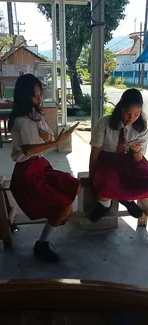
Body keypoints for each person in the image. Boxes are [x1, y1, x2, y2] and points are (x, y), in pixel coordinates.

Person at [8, 73, 81, 262]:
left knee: (73, 187)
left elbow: (46, 136)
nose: (39, 98)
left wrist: (50, 138)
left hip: (40, 166)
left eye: (40, 93)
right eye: (34, 95)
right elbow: (28, 149)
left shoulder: (35, 115)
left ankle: (52, 228)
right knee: (64, 207)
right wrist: (55, 142)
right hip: (27, 173)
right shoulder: (20, 120)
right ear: (24, 96)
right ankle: (41, 244)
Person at [89, 88, 148, 222]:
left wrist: (137, 151)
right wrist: (91, 175)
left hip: (131, 160)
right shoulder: (104, 123)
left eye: (137, 114)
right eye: (128, 113)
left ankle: (126, 200)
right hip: (108, 159)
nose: (132, 118)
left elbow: (138, 160)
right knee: (105, 181)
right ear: (120, 108)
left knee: (143, 178)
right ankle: (105, 206)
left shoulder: (141, 128)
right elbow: (95, 152)